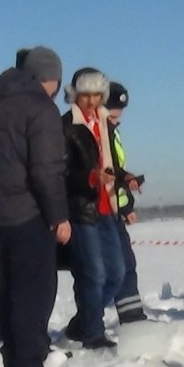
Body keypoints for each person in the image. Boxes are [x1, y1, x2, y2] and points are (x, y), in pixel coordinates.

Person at [0, 46, 73, 367]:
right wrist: (59, 217)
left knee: (11, 289)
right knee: (33, 293)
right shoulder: (41, 109)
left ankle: (16, 361)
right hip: (30, 215)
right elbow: (47, 171)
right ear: (49, 78)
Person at [61, 67, 126, 349]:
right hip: (81, 209)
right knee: (94, 274)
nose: (92, 101)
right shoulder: (65, 126)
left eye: (97, 95)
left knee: (116, 273)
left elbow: (110, 164)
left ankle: (84, 322)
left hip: (106, 207)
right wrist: (89, 178)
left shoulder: (105, 124)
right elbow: (60, 172)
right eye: (86, 95)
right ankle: (92, 333)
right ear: (75, 95)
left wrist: (125, 179)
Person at [105, 82, 147, 324]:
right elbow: (106, 173)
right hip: (101, 212)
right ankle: (88, 323)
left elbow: (115, 173)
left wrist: (126, 204)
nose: (116, 114)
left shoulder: (112, 131)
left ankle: (132, 318)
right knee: (115, 268)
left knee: (125, 265)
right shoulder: (99, 133)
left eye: (119, 109)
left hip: (114, 209)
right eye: (111, 108)